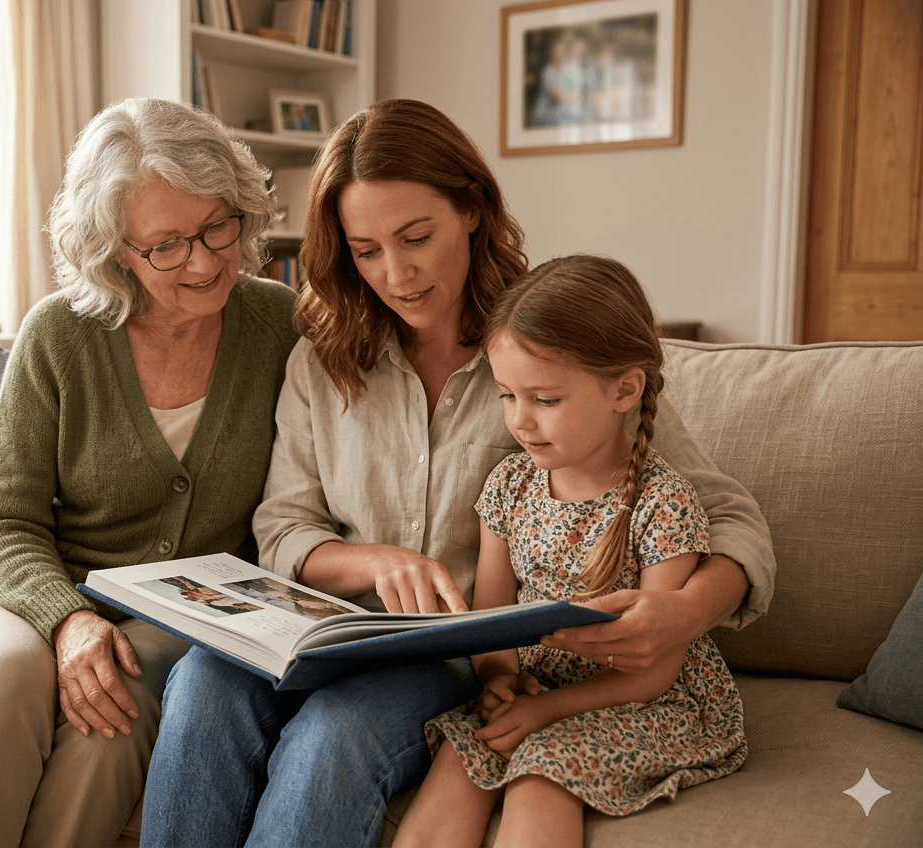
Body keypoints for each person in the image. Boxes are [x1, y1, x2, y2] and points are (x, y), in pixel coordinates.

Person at [141, 98, 773, 848]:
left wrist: (687, 612)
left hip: (457, 657)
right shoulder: (322, 355)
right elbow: (283, 528)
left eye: (417, 238)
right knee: (203, 684)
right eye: (366, 249)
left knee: (333, 733)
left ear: (471, 210)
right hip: (328, 629)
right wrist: (374, 561)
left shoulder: (549, 343)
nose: (397, 273)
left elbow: (726, 513)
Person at [0, 98, 299, 848]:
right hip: (27, 584)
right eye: (168, 244)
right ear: (116, 248)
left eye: (220, 225)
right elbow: (4, 521)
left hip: (183, 608)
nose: (207, 259)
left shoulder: (278, 324)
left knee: (111, 720)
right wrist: (69, 618)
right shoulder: (58, 333)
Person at [394, 255, 747, 848]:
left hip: (641, 698)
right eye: (508, 396)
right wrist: (499, 678)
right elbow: (493, 618)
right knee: (462, 755)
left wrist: (544, 715)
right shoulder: (508, 487)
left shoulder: (663, 504)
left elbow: (654, 668)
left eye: (545, 400)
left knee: (539, 774)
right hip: (539, 690)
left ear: (624, 389)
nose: (520, 421)